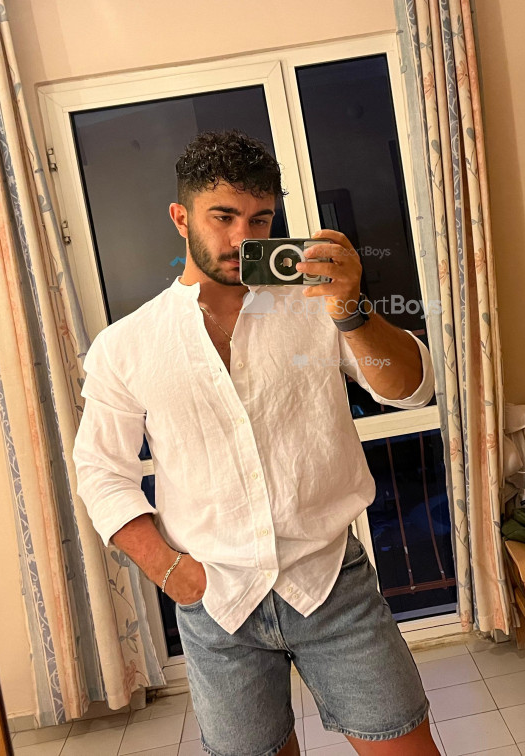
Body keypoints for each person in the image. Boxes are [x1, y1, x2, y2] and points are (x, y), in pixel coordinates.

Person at [73, 130, 441, 756]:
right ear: (181, 217)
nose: (244, 237)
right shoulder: (126, 345)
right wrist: (169, 571)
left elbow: (410, 390)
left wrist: (353, 309)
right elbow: (100, 471)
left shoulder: (314, 305)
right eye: (223, 217)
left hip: (330, 581)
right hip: (216, 599)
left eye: (260, 219)